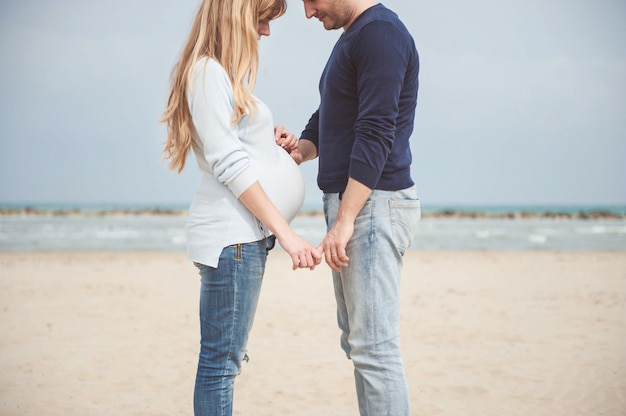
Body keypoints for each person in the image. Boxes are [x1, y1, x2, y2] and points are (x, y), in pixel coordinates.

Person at [160, 0, 322, 414]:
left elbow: (237, 151)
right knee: (220, 365)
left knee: (224, 361)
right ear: (238, 16)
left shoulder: (219, 77)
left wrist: (270, 139)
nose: (266, 31)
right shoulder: (208, 73)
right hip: (233, 239)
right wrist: (285, 234)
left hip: (241, 240)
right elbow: (227, 165)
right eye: (263, 19)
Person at [291, 1, 421, 414]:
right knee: (358, 342)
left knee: (374, 349)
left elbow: (377, 129)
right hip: (358, 204)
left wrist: (345, 219)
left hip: (372, 204)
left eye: (311, 0)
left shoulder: (381, 33)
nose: (308, 13)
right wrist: (300, 148)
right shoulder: (355, 36)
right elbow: (331, 113)